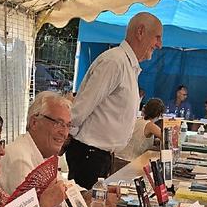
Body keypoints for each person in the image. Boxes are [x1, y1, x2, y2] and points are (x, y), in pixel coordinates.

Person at [67, 12, 163, 189]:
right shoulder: (114, 62)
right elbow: (81, 109)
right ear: (140, 32)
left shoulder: (126, 65)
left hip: (99, 156)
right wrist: (69, 140)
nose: (159, 44)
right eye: (157, 37)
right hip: (89, 155)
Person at [0, 91, 72, 195]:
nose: (64, 133)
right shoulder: (20, 159)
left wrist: (88, 194)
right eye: (58, 123)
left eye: (68, 125)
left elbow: (66, 188)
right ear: (34, 123)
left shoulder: (44, 153)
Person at [113, 97, 165, 172]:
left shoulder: (138, 120)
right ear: (159, 114)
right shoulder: (150, 125)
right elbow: (166, 138)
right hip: (129, 163)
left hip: (117, 159)